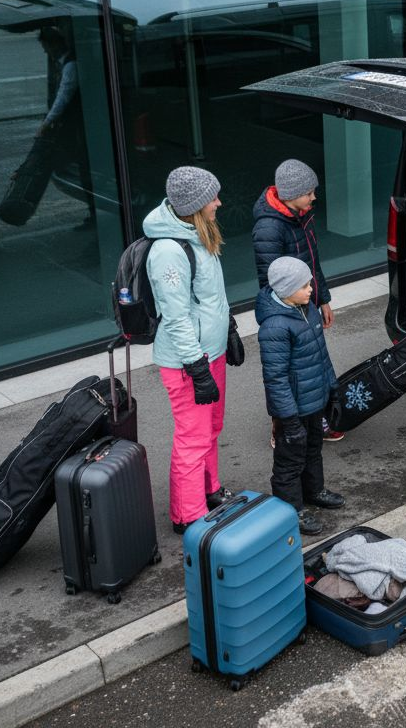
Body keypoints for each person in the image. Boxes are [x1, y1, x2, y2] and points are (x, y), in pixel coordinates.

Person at [145, 166, 245, 534]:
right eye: (212, 198)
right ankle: (188, 515)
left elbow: (208, 296)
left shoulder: (196, 234)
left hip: (210, 353)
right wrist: (197, 366)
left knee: (211, 427)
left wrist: (228, 330)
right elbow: (176, 317)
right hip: (189, 362)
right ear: (195, 205)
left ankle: (210, 489)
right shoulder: (169, 251)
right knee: (192, 436)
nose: (218, 202)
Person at [252, 158, 344, 442]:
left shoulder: (301, 216)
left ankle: (317, 421)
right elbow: (271, 281)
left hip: (307, 304)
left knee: (313, 365)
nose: (314, 197)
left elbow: (312, 262)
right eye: (309, 193)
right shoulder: (269, 228)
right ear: (292, 195)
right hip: (290, 311)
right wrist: (296, 310)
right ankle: (281, 428)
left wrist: (323, 298)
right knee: (287, 372)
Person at [256, 256, 344, 536]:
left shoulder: (308, 310)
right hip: (292, 408)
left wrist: (332, 389)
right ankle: (290, 509)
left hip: (314, 399)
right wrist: (288, 420)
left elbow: (322, 354)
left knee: (313, 448)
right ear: (285, 289)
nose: (310, 289)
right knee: (289, 460)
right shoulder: (275, 327)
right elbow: (276, 378)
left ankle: (314, 490)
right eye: (304, 285)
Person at [36, 26, 94, 230]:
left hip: (80, 127)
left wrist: (47, 122)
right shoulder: (64, 64)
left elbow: (64, 95)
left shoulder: (70, 66)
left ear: (54, 45)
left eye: (46, 46)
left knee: (86, 169)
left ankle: (94, 214)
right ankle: (92, 212)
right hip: (78, 126)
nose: (45, 52)